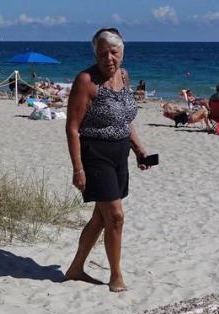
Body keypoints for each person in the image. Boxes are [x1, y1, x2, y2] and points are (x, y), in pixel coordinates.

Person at [64, 27, 152, 293]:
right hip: (95, 156)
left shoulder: (124, 77)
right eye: (103, 54)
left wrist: (140, 151)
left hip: (120, 155)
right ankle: (116, 276)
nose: (109, 59)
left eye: (114, 52)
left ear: (122, 53)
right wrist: (77, 168)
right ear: (96, 55)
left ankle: (75, 269)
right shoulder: (86, 80)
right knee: (115, 216)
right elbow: (72, 128)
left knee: (100, 219)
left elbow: (125, 120)